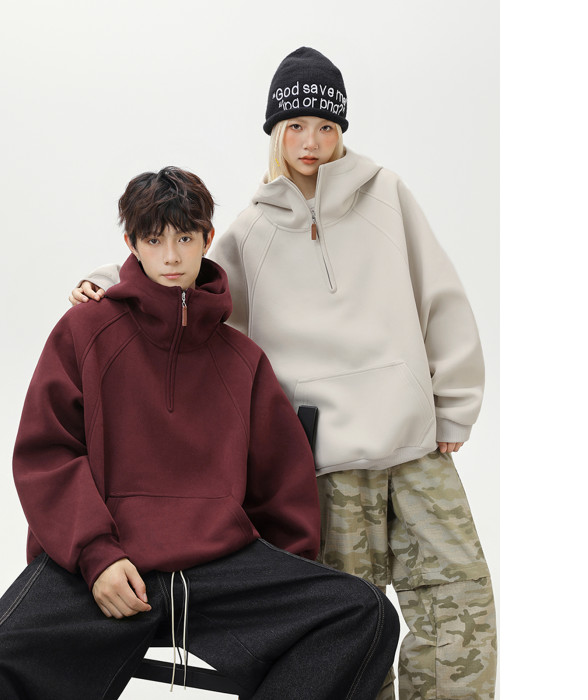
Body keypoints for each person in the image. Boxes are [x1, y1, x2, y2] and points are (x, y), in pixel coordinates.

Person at [70, 49, 497, 700]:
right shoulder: (253, 229)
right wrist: (106, 281)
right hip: (326, 462)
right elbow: (192, 280)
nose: (311, 142)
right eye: (295, 126)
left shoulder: (387, 194)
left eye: (325, 127)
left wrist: (454, 403)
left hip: (414, 444)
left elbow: (439, 292)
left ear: (341, 130)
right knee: (351, 620)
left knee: (459, 600)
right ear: (275, 132)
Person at [0, 166, 399, 700]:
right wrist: (96, 556)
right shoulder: (85, 331)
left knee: (365, 613)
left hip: (219, 571)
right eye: (155, 240)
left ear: (206, 238)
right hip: (104, 562)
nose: (171, 256)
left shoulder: (243, 360)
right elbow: (48, 453)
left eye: (184, 238)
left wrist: (276, 590)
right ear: (132, 244)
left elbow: (280, 485)